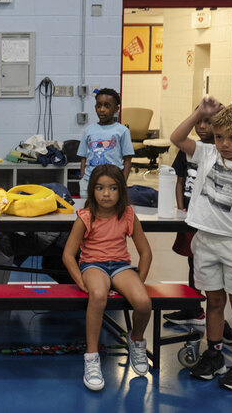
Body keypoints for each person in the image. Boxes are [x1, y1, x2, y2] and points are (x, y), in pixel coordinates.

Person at [170, 99, 232, 391]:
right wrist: (200, 113)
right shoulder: (206, 154)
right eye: (219, 136)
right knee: (213, 302)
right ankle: (214, 356)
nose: (224, 144)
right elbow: (177, 138)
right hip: (206, 242)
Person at [62, 164, 153, 392]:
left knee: (143, 302)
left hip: (120, 266)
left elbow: (146, 252)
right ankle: (92, 357)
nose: (106, 194)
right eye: (100, 188)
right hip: (93, 265)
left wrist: (138, 282)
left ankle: (136, 339)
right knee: (98, 295)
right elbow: (68, 254)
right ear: (92, 190)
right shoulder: (85, 217)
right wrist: (79, 280)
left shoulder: (128, 214)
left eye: (113, 188)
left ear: (121, 191)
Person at [165, 109, 232, 343]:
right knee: (193, 262)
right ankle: (193, 308)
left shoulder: (224, 154)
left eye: (208, 122)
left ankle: (219, 320)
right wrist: (180, 208)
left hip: (215, 222)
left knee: (215, 271)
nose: (202, 127)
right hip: (190, 218)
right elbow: (178, 180)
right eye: (199, 122)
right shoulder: (189, 149)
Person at [77, 88, 134, 198]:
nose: (102, 110)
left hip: (113, 181)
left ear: (116, 109)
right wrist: (83, 178)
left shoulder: (122, 131)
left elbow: (127, 160)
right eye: (99, 106)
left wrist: (122, 182)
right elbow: (83, 157)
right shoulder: (88, 130)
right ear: (95, 107)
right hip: (89, 181)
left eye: (107, 106)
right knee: (88, 210)